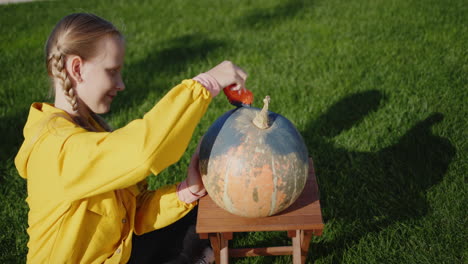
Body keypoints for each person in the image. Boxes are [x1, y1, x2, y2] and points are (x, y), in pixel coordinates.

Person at [14, 13, 247, 264]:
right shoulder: (56, 147)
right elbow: (145, 151)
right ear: (77, 69)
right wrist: (205, 84)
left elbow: (134, 214)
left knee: (202, 210)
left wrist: (185, 192)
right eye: (112, 71)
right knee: (198, 230)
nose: (121, 84)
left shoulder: (89, 129)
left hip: (116, 253)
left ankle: (195, 253)